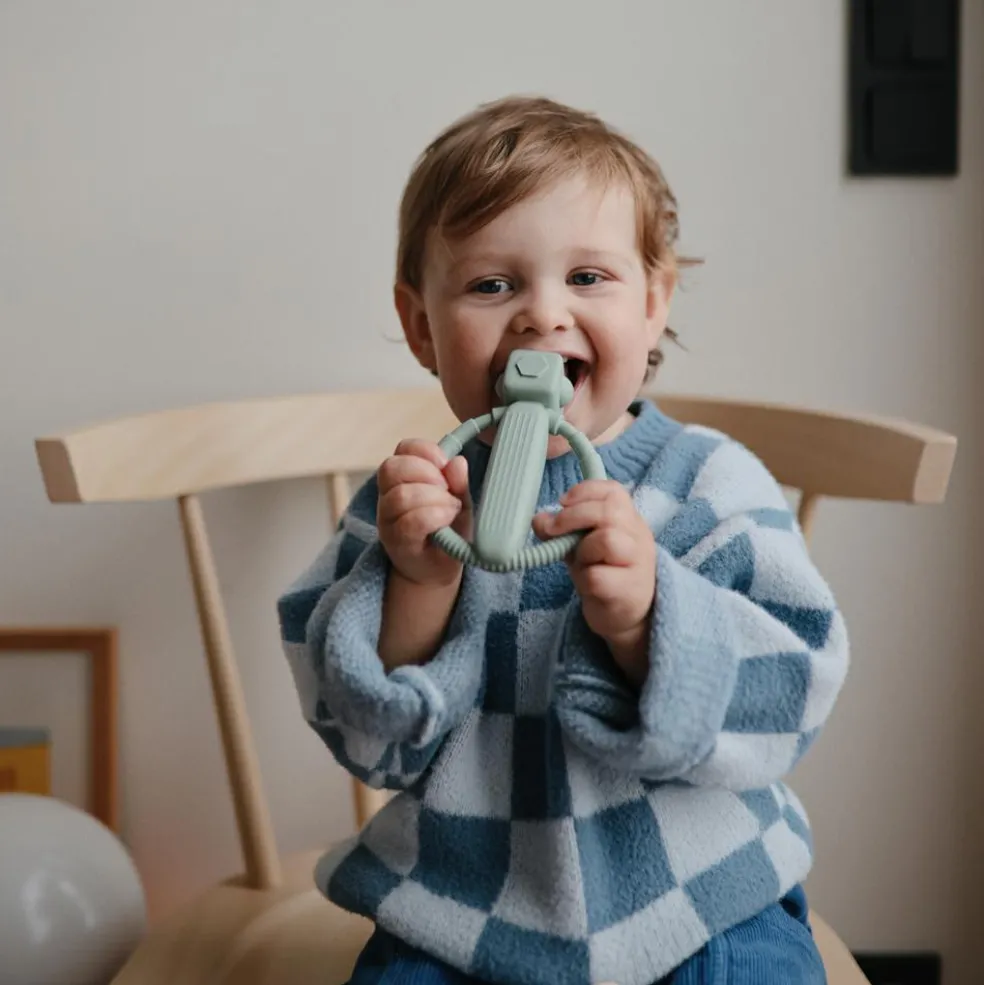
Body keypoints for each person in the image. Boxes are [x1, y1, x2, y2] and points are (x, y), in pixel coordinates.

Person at [277, 95, 848, 985]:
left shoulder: (710, 482)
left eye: (587, 278)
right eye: (491, 284)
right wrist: (418, 583)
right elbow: (364, 740)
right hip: (462, 904)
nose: (543, 315)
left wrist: (647, 617)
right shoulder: (411, 501)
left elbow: (790, 690)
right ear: (423, 324)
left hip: (702, 896)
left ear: (654, 304)